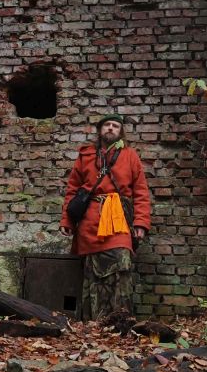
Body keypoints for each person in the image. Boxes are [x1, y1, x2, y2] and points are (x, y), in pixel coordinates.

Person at [60, 113, 152, 321]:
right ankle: (93, 323)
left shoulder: (130, 156)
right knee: (91, 274)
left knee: (122, 264)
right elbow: (72, 189)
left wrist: (141, 223)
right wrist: (66, 220)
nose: (110, 128)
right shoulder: (86, 155)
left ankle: (121, 321)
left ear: (121, 132)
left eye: (115, 126)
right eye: (107, 125)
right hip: (89, 219)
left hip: (118, 216)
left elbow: (141, 191)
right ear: (100, 130)